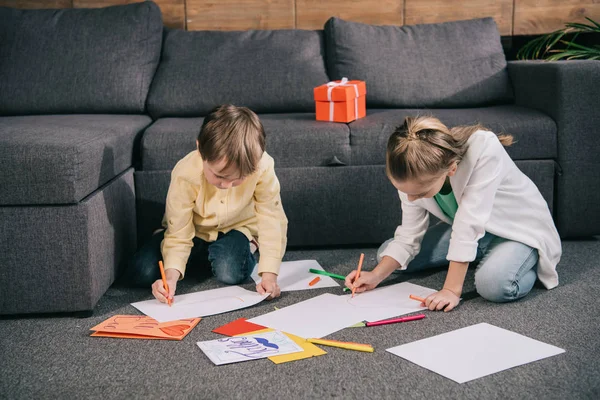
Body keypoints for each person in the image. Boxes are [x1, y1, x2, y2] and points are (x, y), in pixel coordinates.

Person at [345, 116, 561, 311]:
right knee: (386, 254)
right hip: (476, 232)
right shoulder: (413, 170)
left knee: (494, 285)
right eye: (404, 191)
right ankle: (479, 255)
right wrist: (375, 276)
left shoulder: (484, 148)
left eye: (420, 193)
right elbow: (409, 236)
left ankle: (527, 261)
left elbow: (468, 224)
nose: (411, 199)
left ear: (451, 168)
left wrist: (451, 290)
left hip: (517, 230)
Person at [124, 104, 288, 303]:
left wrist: (269, 276)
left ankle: (243, 246)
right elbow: (179, 233)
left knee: (231, 273)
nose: (227, 185)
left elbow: (272, 221)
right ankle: (184, 254)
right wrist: (170, 277)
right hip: (191, 231)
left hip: (236, 229)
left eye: (239, 179)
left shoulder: (262, 167)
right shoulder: (185, 174)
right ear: (200, 149)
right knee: (140, 272)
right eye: (219, 176)